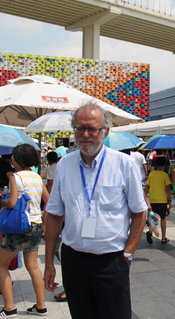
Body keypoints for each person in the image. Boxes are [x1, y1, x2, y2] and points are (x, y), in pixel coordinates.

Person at [44, 101, 147, 319]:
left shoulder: (124, 164)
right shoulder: (65, 165)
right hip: (73, 261)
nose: (85, 134)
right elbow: (54, 214)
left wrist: (128, 253)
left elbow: (139, 212)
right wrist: (50, 262)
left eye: (92, 129)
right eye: (80, 128)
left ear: (105, 131)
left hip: (111, 260)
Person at [0, 144, 50, 317]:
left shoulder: (15, 177)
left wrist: (3, 201)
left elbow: (13, 203)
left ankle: (9, 308)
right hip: (35, 224)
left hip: (18, 226)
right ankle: (41, 306)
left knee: (1, 265)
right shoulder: (36, 177)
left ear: (17, 160)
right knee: (33, 266)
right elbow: (48, 200)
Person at [144, 156, 172, 245]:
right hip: (162, 199)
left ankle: (150, 231)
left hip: (153, 199)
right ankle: (163, 237)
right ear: (164, 166)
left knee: (154, 217)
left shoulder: (151, 174)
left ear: (155, 165)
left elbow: (147, 187)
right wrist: (169, 200)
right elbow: (167, 189)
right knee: (163, 218)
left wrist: (145, 198)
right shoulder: (165, 175)